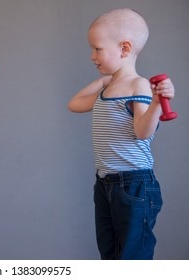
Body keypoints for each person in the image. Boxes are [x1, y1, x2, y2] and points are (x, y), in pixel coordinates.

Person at [67, 8, 175, 260]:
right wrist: (105, 81)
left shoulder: (139, 85)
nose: (92, 57)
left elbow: (142, 132)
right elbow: (74, 104)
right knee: (111, 253)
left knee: (132, 256)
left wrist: (157, 103)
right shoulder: (108, 88)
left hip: (134, 184)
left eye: (97, 49)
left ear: (124, 49)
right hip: (106, 183)